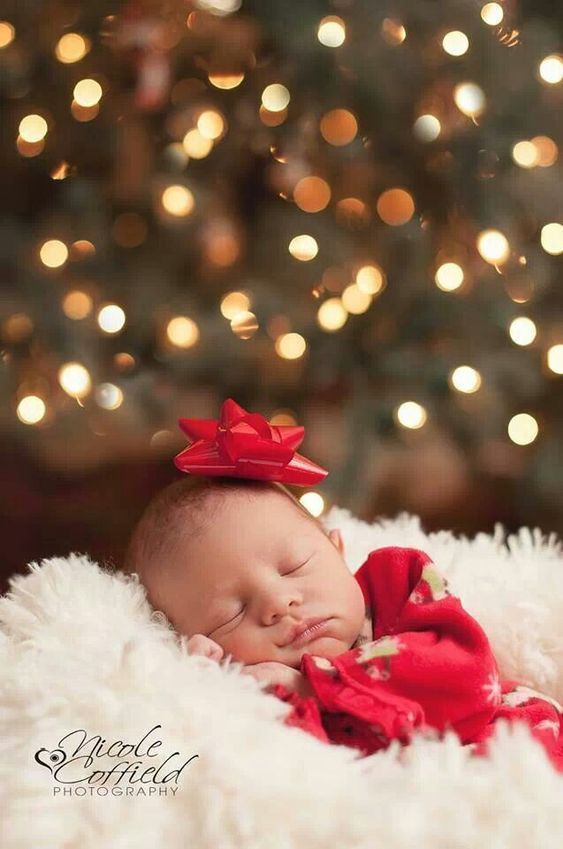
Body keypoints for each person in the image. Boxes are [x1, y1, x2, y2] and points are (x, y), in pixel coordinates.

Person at [123, 399, 563, 771]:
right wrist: (202, 685)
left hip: (514, 753)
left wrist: (314, 686)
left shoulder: (398, 587)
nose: (279, 603)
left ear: (337, 549)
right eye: (231, 613)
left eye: (294, 566)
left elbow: (464, 679)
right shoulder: (256, 686)